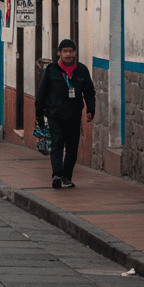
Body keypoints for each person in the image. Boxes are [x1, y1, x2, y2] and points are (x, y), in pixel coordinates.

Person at [35, 39, 96, 189]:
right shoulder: (51, 70)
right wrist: (39, 115)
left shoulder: (82, 70)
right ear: (59, 53)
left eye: (71, 51)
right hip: (54, 115)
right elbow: (41, 94)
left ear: (75, 53)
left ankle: (66, 177)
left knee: (72, 148)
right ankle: (57, 174)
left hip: (74, 115)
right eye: (65, 51)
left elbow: (89, 92)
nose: (68, 54)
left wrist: (90, 109)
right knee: (56, 144)